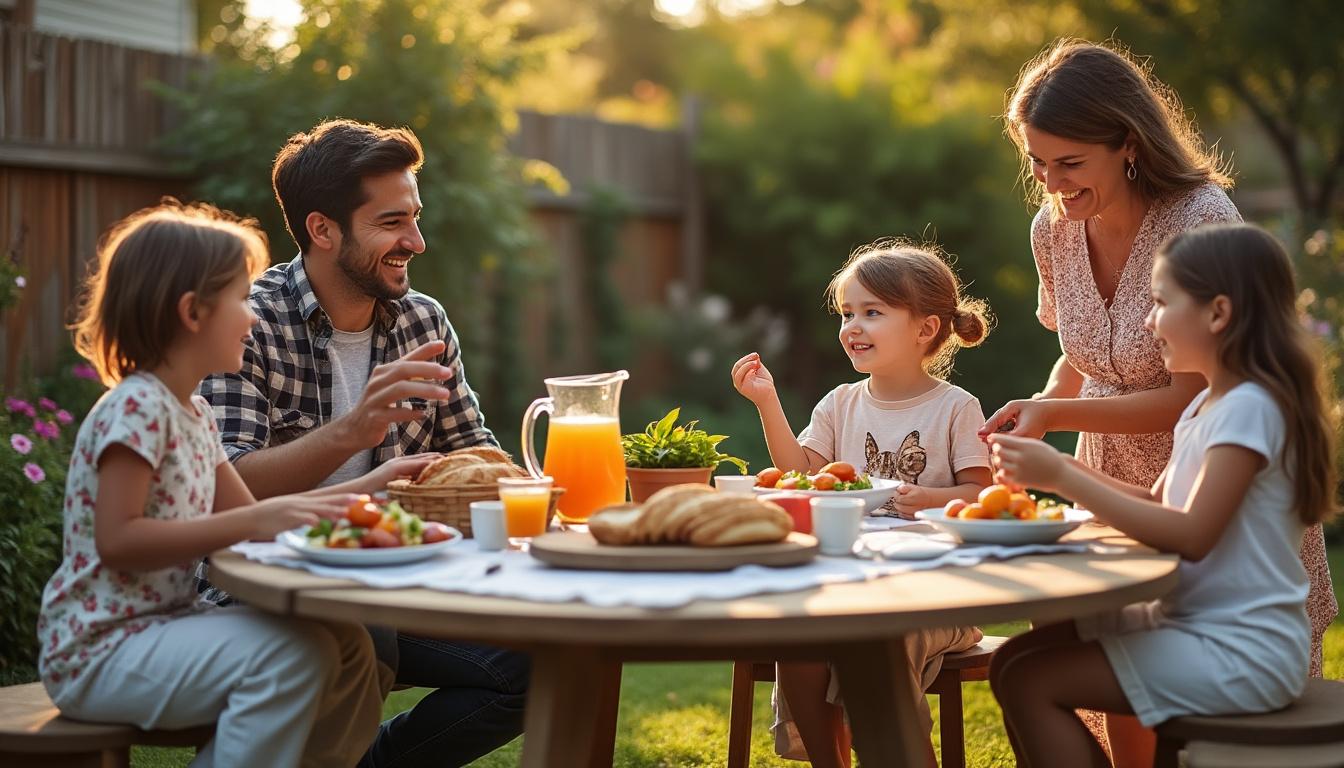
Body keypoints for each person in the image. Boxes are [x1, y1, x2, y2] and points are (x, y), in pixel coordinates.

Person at [978, 39, 1337, 762]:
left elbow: (1184, 413)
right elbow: (1082, 351)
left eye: (1070, 163)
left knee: (1076, 674)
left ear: (1128, 143)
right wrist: (1044, 416)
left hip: (1217, 564)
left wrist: (1059, 446)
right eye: (1036, 163)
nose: (1050, 182)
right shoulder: (1053, 228)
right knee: (1051, 661)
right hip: (1132, 489)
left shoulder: (1201, 231)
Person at [197, 119, 528, 768]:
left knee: (532, 665)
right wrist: (352, 432)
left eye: (416, 217)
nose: (417, 241)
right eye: (392, 223)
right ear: (323, 230)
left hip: (397, 582)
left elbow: (473, 451)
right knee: (362, 634)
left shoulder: (422, 321)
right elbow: (227, 485)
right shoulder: (248, 323)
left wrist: (527, 488)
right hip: (271, 586)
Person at [40, 201, 384, 767]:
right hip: (99, 649)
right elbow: (118, 539)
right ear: (192, 312)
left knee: (346, 646)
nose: (253, 316)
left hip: (164, 628)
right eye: (240, 300)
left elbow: (253, 523)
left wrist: (367, 494)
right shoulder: (137, 410)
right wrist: (258, 520)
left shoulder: (193, 412)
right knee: (287, 659)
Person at [731, 239, 994, 767]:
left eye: (872, 312)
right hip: (846, 584)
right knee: (800, 640)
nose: (852, 325)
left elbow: (981, 495)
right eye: (848, 313)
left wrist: (932, 498)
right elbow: (801, 476)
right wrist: (767, 401)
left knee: (876, 642)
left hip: (932, 594)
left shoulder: (955, 407)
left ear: (926, 329)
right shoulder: (840, 403)